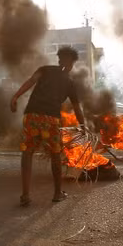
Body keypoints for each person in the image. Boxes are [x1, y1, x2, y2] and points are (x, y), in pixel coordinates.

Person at [11, 46, 85, 206]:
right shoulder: (70, 83)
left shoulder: (44, 70)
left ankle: (25, 195)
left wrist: (15, 97)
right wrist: (83, 125)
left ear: (59, 59)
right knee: (55, 154)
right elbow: (77, 108)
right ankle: (57, 194)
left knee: (28, 152)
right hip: (50, 119)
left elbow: (30, 82)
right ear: (71, 63)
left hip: (32, 115)